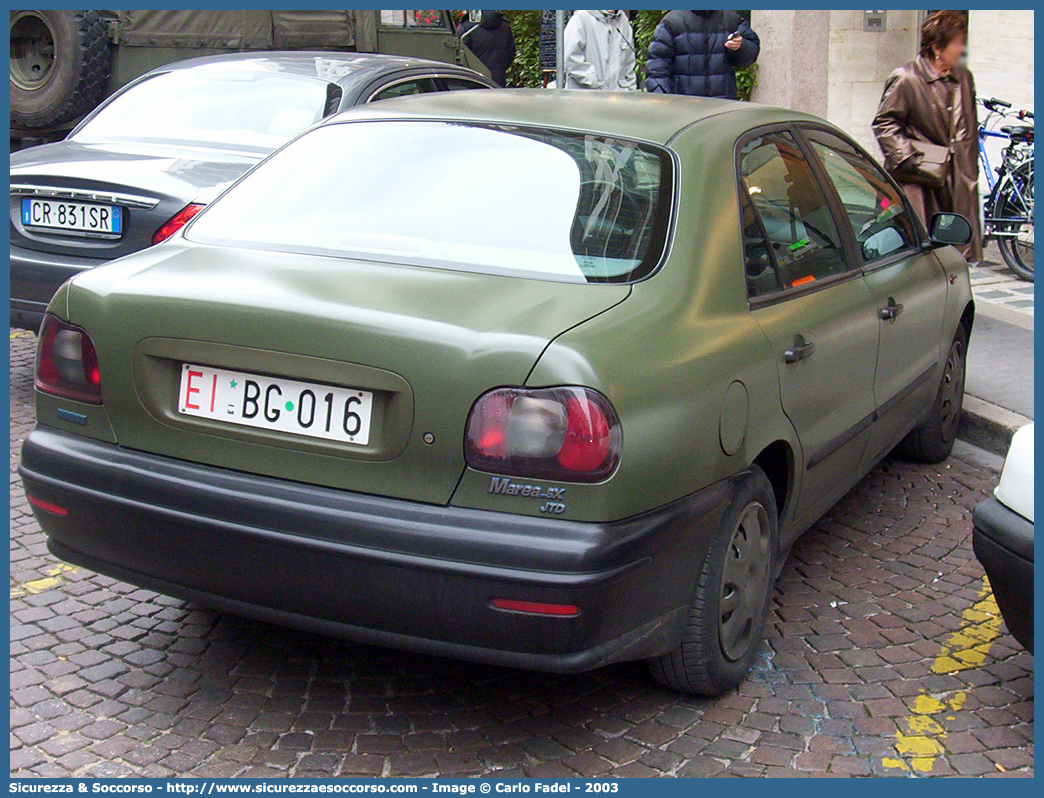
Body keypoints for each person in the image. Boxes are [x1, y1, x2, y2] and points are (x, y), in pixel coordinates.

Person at [873, 10, 982, 261]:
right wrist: (907, 158)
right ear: (936, 47)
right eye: (957, 42)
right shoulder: (907, 78)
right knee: (921, 252)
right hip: (919, 180)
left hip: (958, 180)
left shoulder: (963, 77)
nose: (962, 49)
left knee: (956, 252)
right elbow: (884, 123)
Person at [645, 10, 759, 99]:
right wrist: (663, 98)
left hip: (722, 106)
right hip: (684, 108)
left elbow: (750, 54)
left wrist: (740, 46)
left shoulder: (730, 19)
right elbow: (657, 66)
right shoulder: (672, 22)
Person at [562, 10, 637, 91]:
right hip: (585, 98)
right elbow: (570, 59)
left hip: (618, 99)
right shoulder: (581, 18)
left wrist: (629, 92)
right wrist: (596, 84)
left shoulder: (623, 22)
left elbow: (629, 64)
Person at [456, 10, 515, 88]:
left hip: (473, 78)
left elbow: (460, 54)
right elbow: (511, 53)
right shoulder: (505, 27)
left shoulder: (466, 26)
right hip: (498, 78)